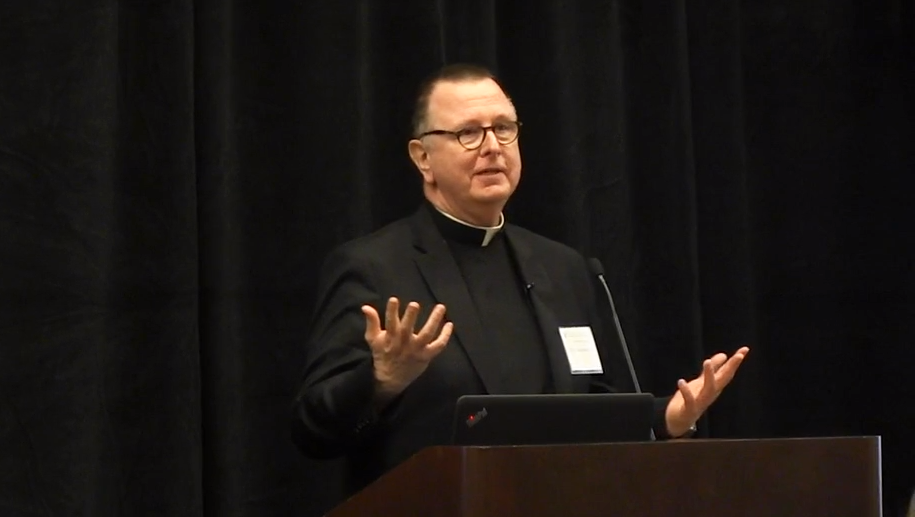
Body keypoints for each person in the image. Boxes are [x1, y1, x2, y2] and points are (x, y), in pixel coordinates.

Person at [291, 63, 749, 499]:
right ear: (422, 157)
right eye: (468, 133)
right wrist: (381, 380)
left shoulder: (565, 268)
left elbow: (593, 406)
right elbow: (313, 429)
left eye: (503, 128)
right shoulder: (372, 267)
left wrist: (666, 418)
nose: (492, 146)